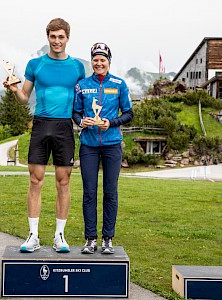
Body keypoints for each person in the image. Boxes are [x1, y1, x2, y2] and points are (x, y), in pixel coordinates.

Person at [3, 18, 86, 253]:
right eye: (53, 36)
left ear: (67, 38)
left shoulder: (78, 67)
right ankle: (33, 236)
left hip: (64, 127)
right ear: (47, 37)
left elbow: (82, 100)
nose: (57, 41)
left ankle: (60, 236)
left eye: (61, 37)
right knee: (35, 180)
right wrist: (14, 89)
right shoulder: (35, 64)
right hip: (41, 125)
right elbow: (24, 98)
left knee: (63, 181)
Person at [73, 42, 133, 254]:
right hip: (88, 145)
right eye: (95, 60)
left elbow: (128, 113)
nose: (99, 63)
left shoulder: (119, 84)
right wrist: (82, 122)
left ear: (109, 62)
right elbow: (76, 112)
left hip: (112, 145)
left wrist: (111, 123)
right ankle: (90, 238)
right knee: (89, 192)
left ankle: (107, 238)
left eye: (103, 60)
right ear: (92, 62)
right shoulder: (82, 85)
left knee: (110, 192)